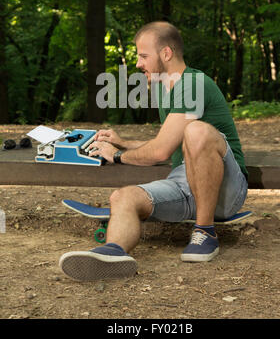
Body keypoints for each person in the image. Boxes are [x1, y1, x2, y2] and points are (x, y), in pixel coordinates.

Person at [59, 21, 248, 281]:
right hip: (185, 184)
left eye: (143, 56)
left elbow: (159, 153)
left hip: (226, 188)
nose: (138, 63)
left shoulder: (194, 83)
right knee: (122, 198)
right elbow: (167, 144)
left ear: (166, 54)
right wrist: (123, 142)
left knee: (196, 131)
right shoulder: (164, 87)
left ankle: (205, 232)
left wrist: (116, 156)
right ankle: (112, 253)